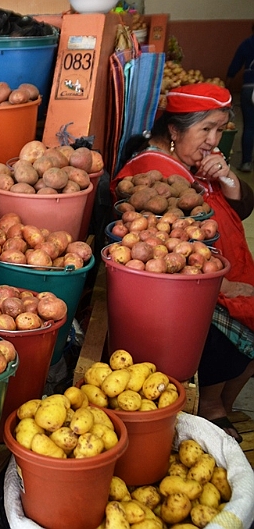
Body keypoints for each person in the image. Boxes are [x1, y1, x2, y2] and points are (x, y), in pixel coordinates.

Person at [111, 83, 254, 442]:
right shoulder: (152, 171)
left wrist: (227, 176)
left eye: (219, 129)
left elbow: (243, 208)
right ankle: (211, 407)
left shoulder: (198, 162)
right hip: (189, 286)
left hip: (219, 273)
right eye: (205, 128)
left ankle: (221, 403)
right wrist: (221, 284)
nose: (213, 138)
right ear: (174, 130)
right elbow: (158, 244)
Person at [226, 24, 254, 173]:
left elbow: (235, 65)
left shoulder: (247, 43)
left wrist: (227, 85)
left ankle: (246, 162)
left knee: (249, 126)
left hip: (249, 89)